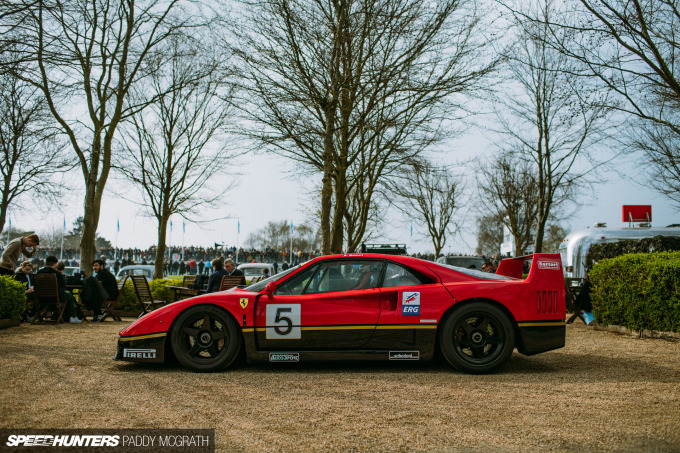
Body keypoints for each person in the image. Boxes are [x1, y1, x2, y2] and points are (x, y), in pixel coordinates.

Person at [37, 255, 81, 323]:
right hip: (55, 297)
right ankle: (72, 316)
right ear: (54, 264)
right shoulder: (57, 273)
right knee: (69, 295)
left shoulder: (39, 272)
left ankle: (36, 316)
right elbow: (63, 285)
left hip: (41, 297)